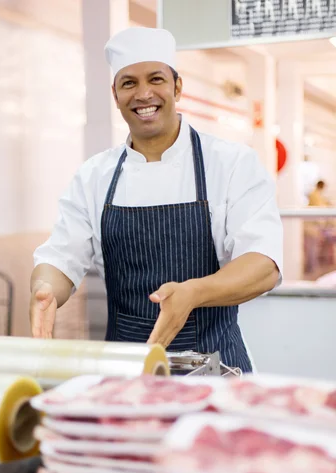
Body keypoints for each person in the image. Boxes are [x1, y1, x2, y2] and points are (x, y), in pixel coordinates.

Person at [30, 27, 283, 373]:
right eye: (129, 83)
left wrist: (194, 292)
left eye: (156, 79)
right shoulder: (94, 176)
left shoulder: (230, 162)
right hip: (127, 371)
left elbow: (264, 265)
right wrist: (45, 291)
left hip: (217, 367)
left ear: (177, 87)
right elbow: (60, 256)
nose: (143, 94)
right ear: (115, 95)